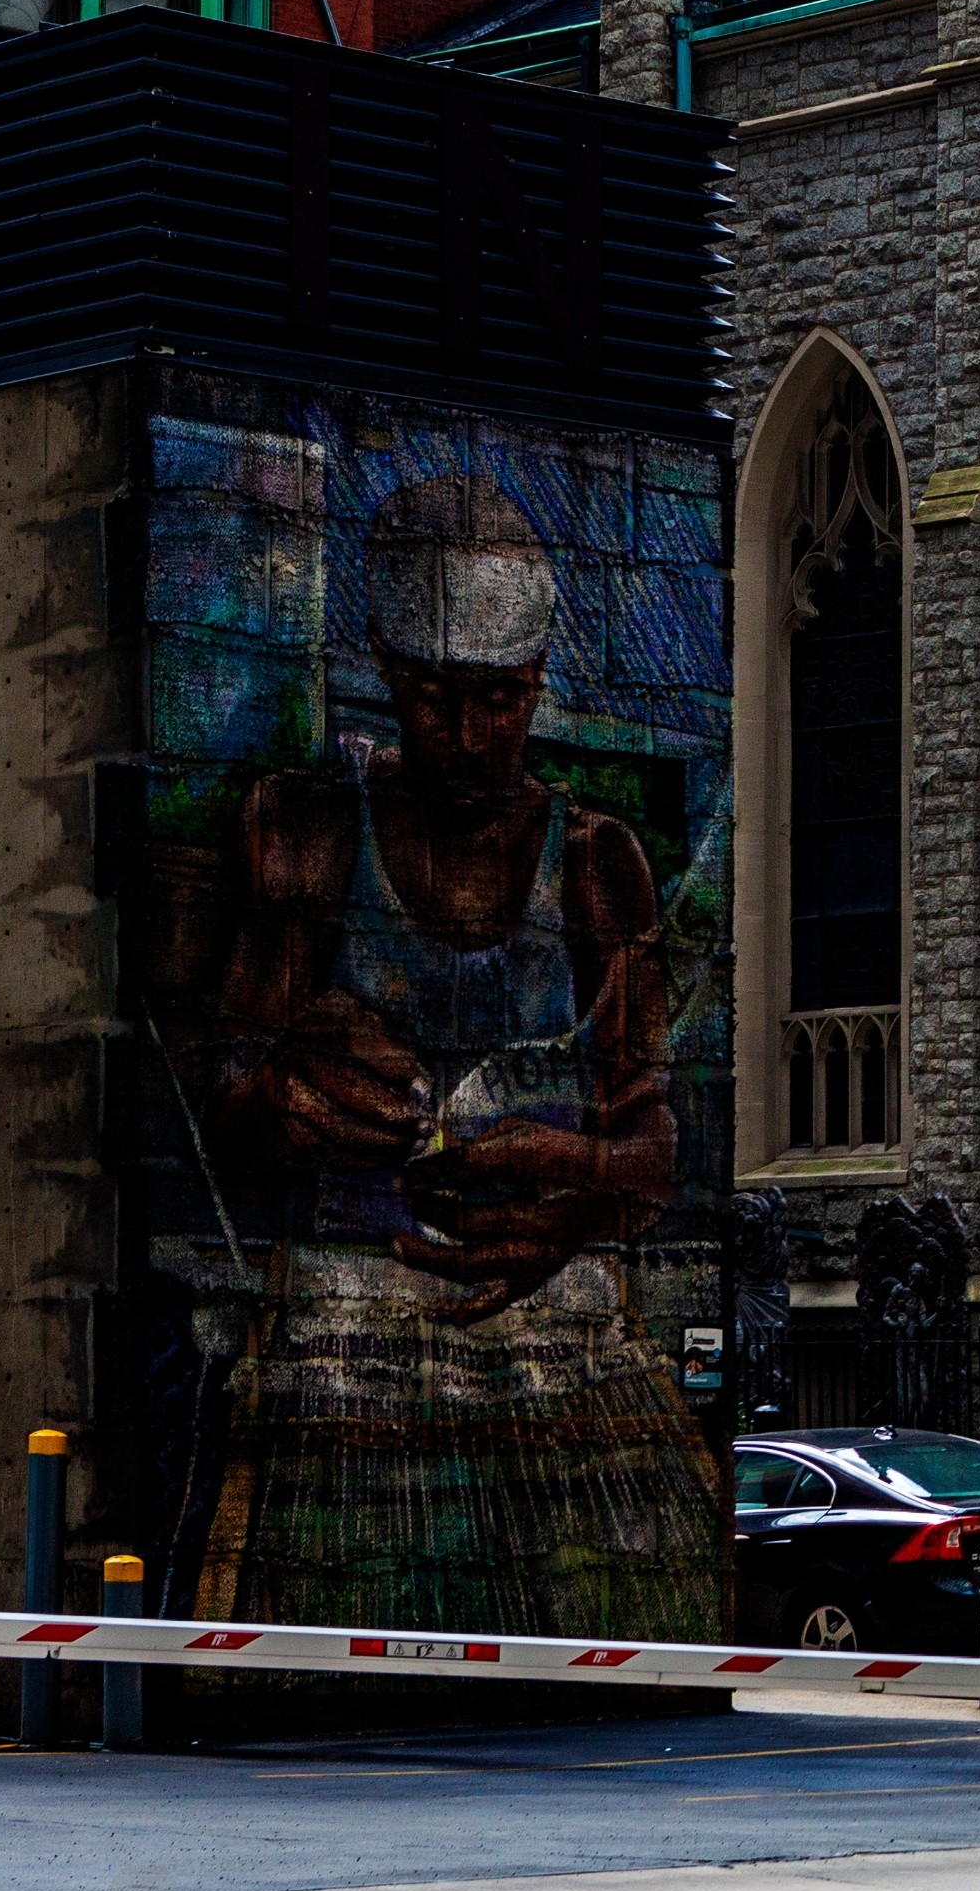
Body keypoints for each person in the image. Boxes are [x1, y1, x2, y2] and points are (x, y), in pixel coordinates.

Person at [210, 475, 672, 1322]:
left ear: (537, 676)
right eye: (433, 698)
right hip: (343, 1321)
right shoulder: (308, 830)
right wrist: (280, 1096)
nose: (468, 739)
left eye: (500, 700)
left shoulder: (596, 865)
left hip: (551, 1328)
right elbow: (215, 1105)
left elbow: (657, 1144)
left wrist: (586, 1193)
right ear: (385, 666)